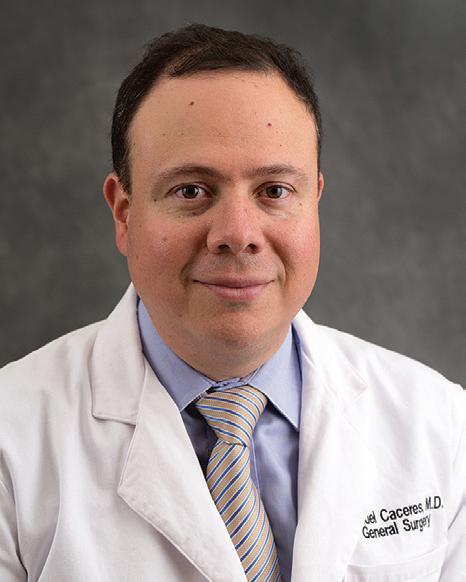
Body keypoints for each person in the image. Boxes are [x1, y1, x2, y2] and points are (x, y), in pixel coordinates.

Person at [0, 24, 464, 582]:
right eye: (191, 190)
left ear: (314, 201)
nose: (238, 234)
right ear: (124, 212)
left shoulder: (443, 427)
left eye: (274, 191)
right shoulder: (12, 441)